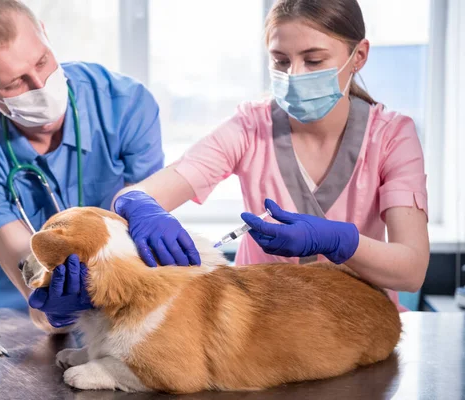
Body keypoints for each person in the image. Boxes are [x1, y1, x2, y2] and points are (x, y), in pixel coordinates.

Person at [111, 0, 430, 312]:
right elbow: (136, 196)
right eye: (280, 61)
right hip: (261, 328)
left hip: (357, 327)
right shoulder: (251, 127)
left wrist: (339, 242)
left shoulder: (391, 136)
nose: (294, 75)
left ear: (358, 56)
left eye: (314, 61)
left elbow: (411, 271)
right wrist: (140, 208)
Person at [0, 0, 163, 332]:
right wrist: (51, 306)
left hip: (120, 302)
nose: (40, 86)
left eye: (42, 61)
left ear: (44, 35)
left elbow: (141, 224)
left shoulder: (126, 104)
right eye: (14, 84)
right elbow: (24, 261)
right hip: (21, 321)